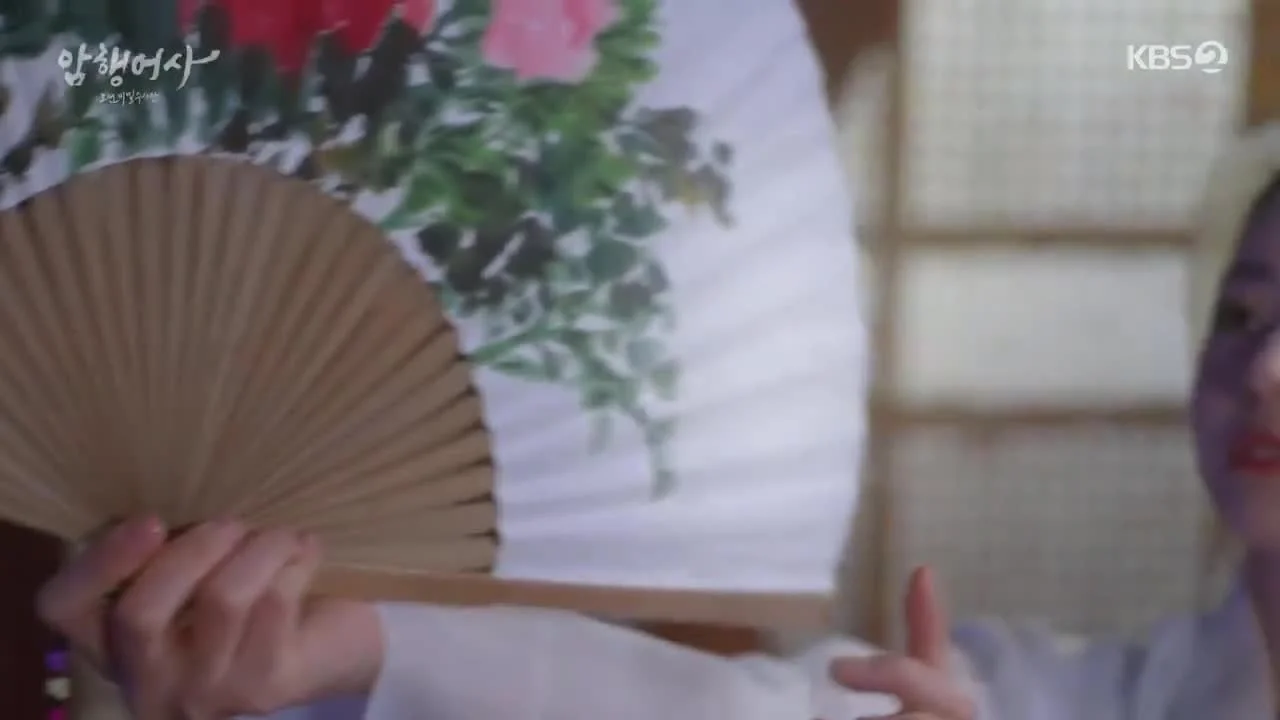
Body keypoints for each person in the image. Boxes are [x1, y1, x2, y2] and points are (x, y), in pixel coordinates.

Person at [37, 121, 1280, 719]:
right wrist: (349, 648)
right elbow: (716, 715)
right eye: (1238, 313)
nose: (1263, 369)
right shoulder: (1045, 697)